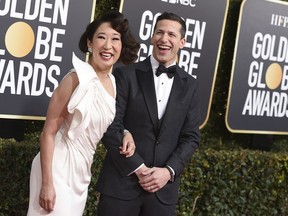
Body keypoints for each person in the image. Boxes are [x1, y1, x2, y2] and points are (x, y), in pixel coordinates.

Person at [27, 11, 140, 215]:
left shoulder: (112, 83)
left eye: (115, 39)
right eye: (101, 37)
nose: (108, 46)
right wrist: (47, 183)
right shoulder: (75, 78)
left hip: (82, 174)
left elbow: (99, 124)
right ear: (89, 43)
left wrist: (125, 133)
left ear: (121, 46)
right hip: (57, 168)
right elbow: (48, 133)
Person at [96, 12, 200, 216]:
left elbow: (191, 137)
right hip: (121, 184)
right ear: (152, 37)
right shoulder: (125, 74)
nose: (164, 39)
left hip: (162, 193)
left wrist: (168, 171)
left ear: (182, 42)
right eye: (159, 32)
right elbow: (110, 125)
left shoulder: (191, 85)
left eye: (171, 34)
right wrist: (140, 168)